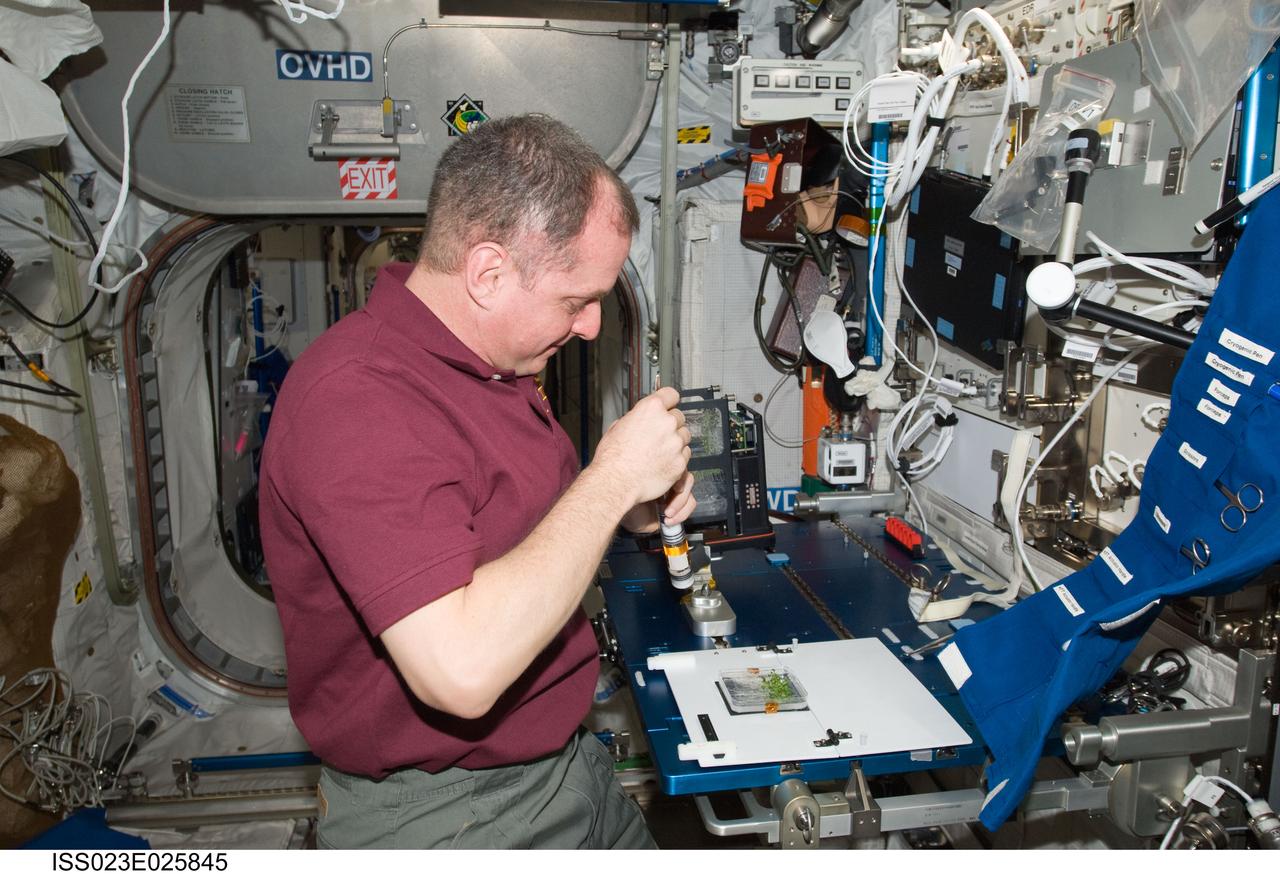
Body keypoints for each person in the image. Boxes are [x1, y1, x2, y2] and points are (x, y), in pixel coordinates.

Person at [259, 115, 695, 849]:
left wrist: (631, 508)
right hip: (449, 814)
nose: (591, 326)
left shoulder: (489, 364)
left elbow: (507, 524)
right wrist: (612, 476)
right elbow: (459, 671)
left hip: (560, 764)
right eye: (574, 300)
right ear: (488, 272)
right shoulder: (357, 401)